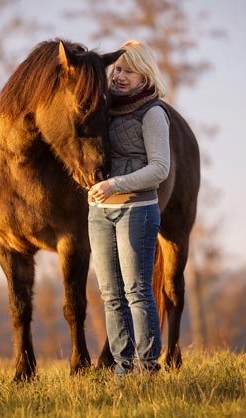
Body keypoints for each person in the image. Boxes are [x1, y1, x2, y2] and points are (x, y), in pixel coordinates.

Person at [88, 40, 170, 378]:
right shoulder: (102, 108)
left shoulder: (153, 113)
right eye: (118, 69)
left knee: (136, 291)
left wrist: (114, 185)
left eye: (129, 71)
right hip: (99, 213)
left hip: (137, 210)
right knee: (110, 295)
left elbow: (160, 168)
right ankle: (123, 370)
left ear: (144, 75)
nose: (120, 76)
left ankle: (147, 368)